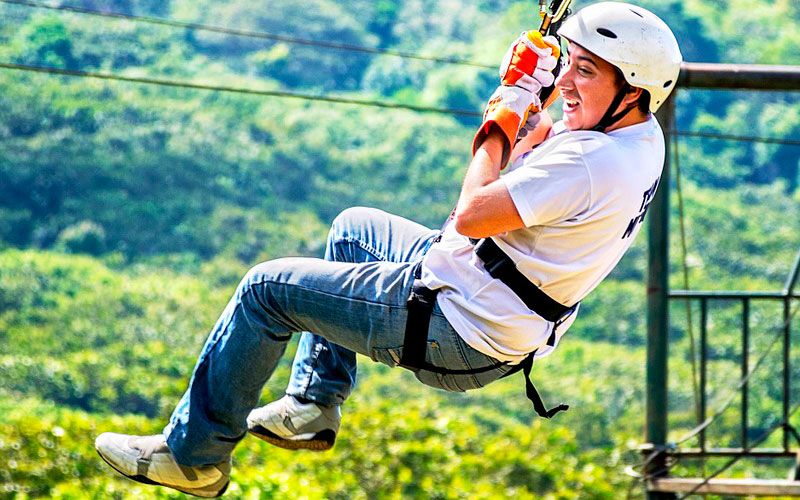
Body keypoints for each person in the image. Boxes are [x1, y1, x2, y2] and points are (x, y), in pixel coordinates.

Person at [94, 2, 682, 497]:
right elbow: (547, 142)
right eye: (571, 67)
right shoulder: (638, 135)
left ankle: (192, 457)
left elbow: (474, 212)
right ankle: (312, 403)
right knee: (355, 229)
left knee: (265, 291)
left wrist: (506, 108)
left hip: (458, 325)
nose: (570, 85)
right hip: (498, 301)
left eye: (587, 73)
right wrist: (537, 93)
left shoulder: (589, 163)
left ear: (631, 90)